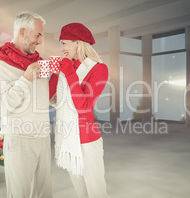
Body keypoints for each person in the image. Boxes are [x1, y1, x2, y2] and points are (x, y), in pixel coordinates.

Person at [0, 11, 52, 198]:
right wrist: (25, 79)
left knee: (44, 194)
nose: (40, 41)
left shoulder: (39, 63)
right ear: (23, 32)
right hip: (19, 138)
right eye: (38, 35)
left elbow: (47, 98)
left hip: (42, 136)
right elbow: (1, 107)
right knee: (20, 194)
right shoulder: (1, 66)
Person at [49, 22, 109, 198]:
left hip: (87, 141)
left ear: (78, 43)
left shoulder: (99, 69)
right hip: (68, 139)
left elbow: (83, 107)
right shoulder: (68, 66)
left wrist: (68, 73)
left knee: (96, 192)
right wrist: (55, 73)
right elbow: (51, 99)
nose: (61, 49)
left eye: (64, 43)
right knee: (81, 193)